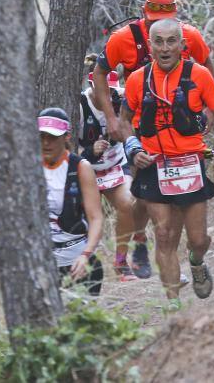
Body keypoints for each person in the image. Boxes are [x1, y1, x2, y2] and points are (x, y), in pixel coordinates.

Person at [92, 0, 214, 279]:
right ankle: (141, 249)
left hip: (180, 128)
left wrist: (207, 112)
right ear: (142, 12)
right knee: (148, 195)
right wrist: (111, 118)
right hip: (138, 126)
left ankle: (154, 252)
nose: (157, 26)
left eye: (165, 19)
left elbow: (207, 66)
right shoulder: (123, 39)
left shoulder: (188, 37)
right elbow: (100, 72)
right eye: (152, 20)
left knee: (157, 197)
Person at [120, 19, 214, 309]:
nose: (165, 48)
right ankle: (174, 306)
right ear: (150, 46)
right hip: (153, 165)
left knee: (198, 239)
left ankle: (197, 263)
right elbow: (124, 121)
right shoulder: (137, 80)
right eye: (158, 42)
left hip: (190, 163)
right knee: (163, 233)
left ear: (183, 45)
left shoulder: (199, 75)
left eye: (171, 41)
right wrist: (133, 148)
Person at [79, 70, 146, 281]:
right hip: (87, 168)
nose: (108, 95)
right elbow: (67, 147)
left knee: (128, 203)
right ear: (93, 86)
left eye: (111, 90)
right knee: (85, 219)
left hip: (116, 163)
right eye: (103, 90)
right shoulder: (80, 105)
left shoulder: (122, 98)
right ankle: (85, 267)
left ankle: (121, 262)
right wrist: (90, 151)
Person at [38, 107, 104, 296]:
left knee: (80, 323)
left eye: (52, 137)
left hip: (77, 262)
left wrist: (86, 255)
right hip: (41, 265)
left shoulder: (80, 168)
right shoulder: (27, 168)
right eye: (42, 136)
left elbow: (96, 218)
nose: (46, 143)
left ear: (66, 137)